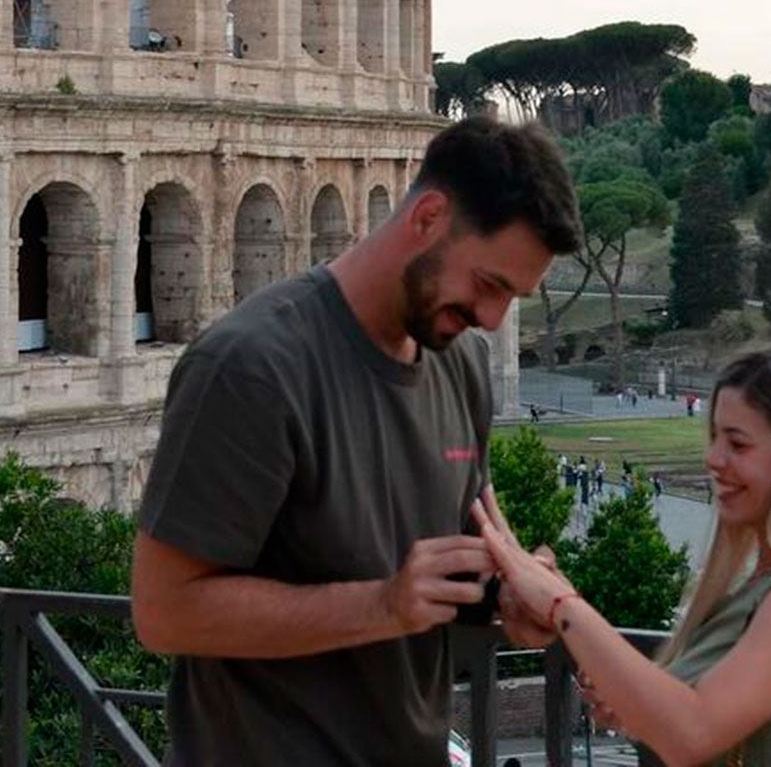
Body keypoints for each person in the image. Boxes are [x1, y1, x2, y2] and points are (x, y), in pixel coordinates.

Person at [129, 117, 583, 765]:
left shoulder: (459, 363)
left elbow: (476, 537)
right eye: (489, 285)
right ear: (427, 217)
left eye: (515, 298)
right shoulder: (252, 367)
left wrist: (507, 593)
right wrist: (384, 603)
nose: (492, 318)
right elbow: (163, 612)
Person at [472, 342, 771, 766]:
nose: (713, 459)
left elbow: (693, 734)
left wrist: (561, 604)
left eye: (737, 444)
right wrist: (634, 701)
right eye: (715, 437)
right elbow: (699, 721)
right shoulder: (768, 586)